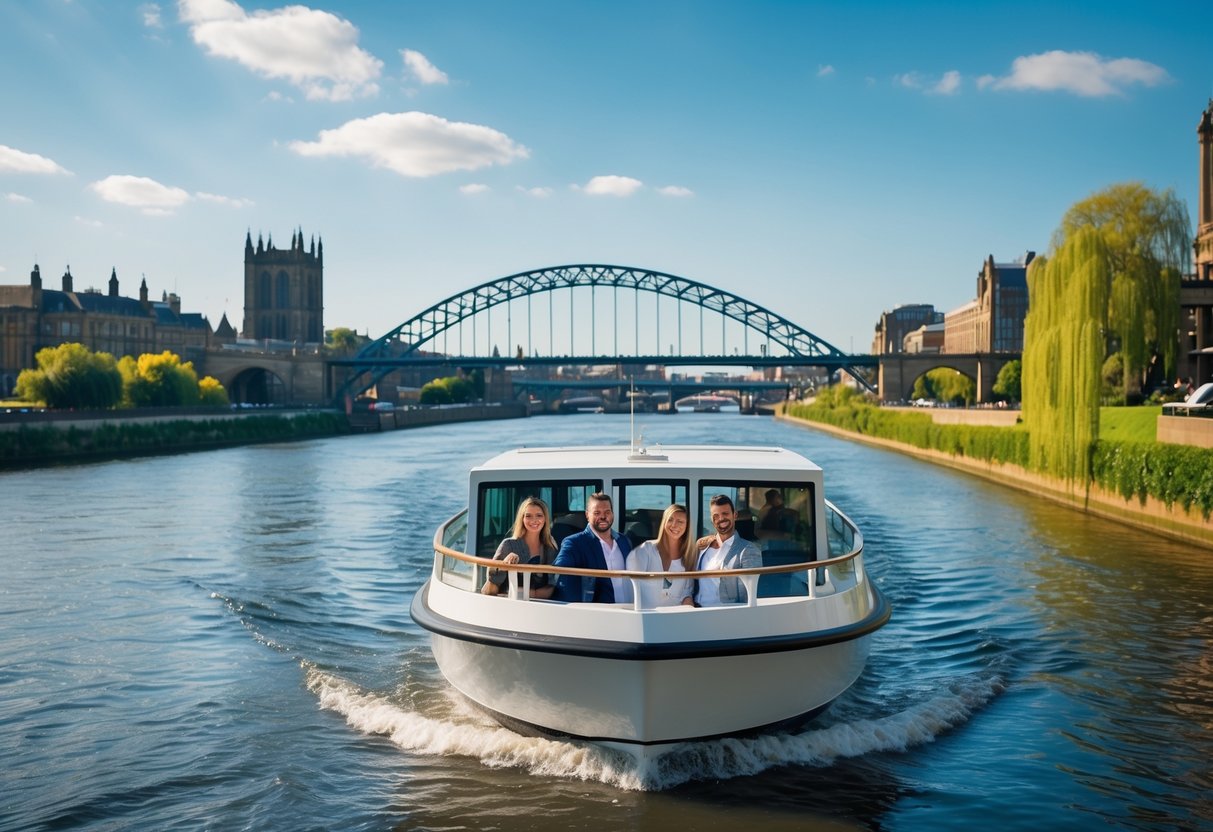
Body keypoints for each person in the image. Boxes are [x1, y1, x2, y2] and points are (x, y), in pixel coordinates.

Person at [551, 492, 633, 603]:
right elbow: (557, 572)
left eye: (607, 512)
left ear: (612, 514)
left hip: (629, 612)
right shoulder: (574, 543)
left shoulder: (624, 541)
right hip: (596, 613)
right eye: (597, 513)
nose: (603, 517)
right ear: (587, 515)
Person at [481, 496, 558, 599]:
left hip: (542, 606)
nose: (534, 520)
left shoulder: (550, 546)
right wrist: (503, 566)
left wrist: (527, 594)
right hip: (509, 605)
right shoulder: (508, 545)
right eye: (528, 516)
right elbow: (489, 590)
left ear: (545, 519)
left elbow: (552, 586)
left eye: (539, 515)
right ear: (522, 519)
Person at [693, 494, 762, 606]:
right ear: (711, 519)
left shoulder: (749, 549)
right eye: (716, 516)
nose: (721, 519)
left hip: (724, 613)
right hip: (696, 610)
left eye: (725, 514)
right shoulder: (702, 546)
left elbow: (749, 596)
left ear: (735, 515)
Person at [625, 504, 696, 608]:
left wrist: (688, 601)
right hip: (645, 616)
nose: (674, 525)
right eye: (670, 520)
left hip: (675, 617)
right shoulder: (645, 550)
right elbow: (632, 586)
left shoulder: (688, 556)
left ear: (687, 526)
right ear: (664, 522)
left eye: (680, 522)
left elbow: (687, 592)